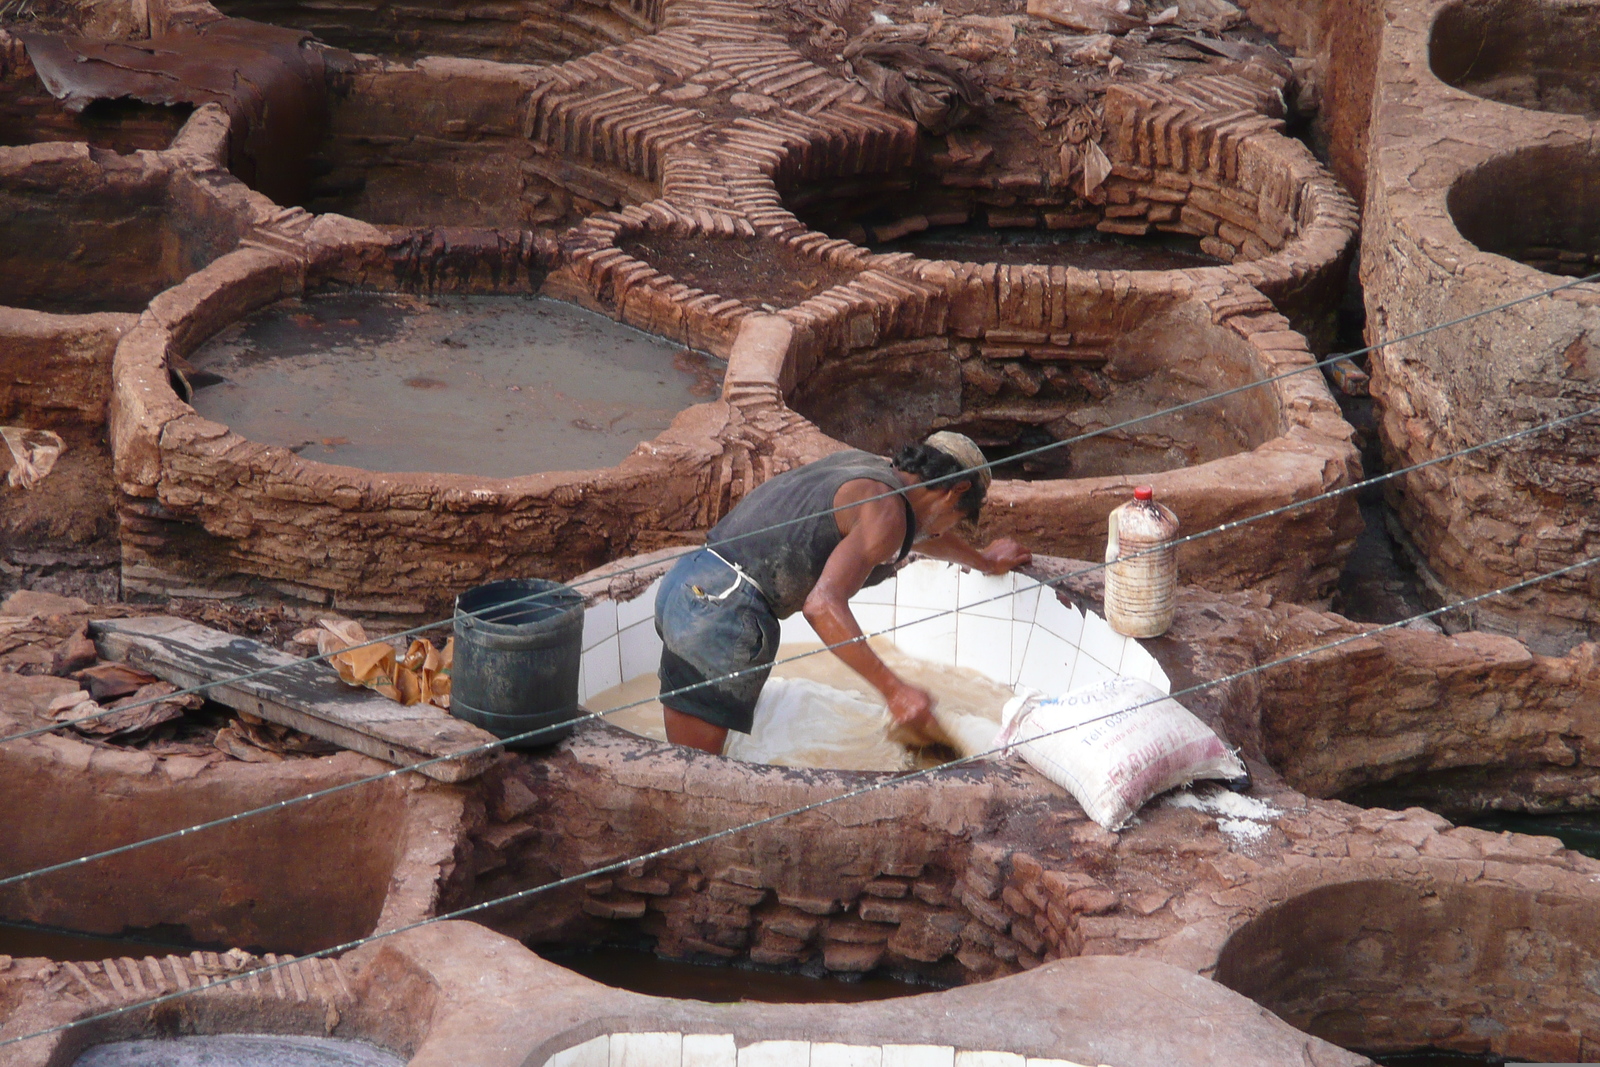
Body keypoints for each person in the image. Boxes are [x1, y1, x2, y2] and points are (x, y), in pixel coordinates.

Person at [653, 431, 1032, 754]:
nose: (944, 530)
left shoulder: (871, 474)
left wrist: (983, 561)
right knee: (696, 778)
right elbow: (821, 606)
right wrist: (895, 691)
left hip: (689, 587)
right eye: (958, 518)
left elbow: (921, 533)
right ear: (955, 492)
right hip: (725, 616)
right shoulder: (887, 511)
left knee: (684, 762)